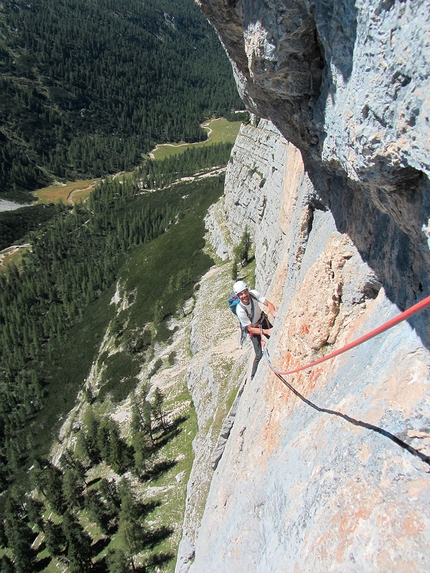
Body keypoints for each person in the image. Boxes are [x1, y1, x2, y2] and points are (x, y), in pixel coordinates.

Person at [233, 280, 276, 380]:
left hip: (262, 320)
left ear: (247, 290)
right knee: (259, 354)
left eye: (245, 292)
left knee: (274, 336)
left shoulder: (254, 294)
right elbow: (250, 329)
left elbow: (268, 304)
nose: (244, 295)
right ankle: (253, 376)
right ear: (238, 296)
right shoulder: (240, 310)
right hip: (254, 329)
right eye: (241, 294)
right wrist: (266, 331)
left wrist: (273, 312)